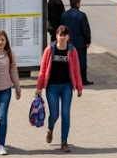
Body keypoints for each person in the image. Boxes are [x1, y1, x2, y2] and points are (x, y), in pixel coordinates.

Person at [35, 25, 83, 153]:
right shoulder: (49, 50)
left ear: (68, 37)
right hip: (52, 87)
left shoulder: (72, 51)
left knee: (66, 114)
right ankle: (50, 129)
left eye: (65, 35)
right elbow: (43, 69)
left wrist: (79, 87)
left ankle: (64, 142)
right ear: (56, 36)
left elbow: (77, 70)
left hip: (67, 86)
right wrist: (39, 87)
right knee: (54, 114)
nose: (62, 37)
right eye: (60, 35)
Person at [60, 0, 92, 85]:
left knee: (69, 60)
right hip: (80, 42)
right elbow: (86, 29)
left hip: (68, 42)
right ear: (77, 3)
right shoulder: (81, 15)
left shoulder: (65, 14)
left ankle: (69, 79)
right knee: (81, 61)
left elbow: (62, 28)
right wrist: (88, 41)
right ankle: (82, 80)